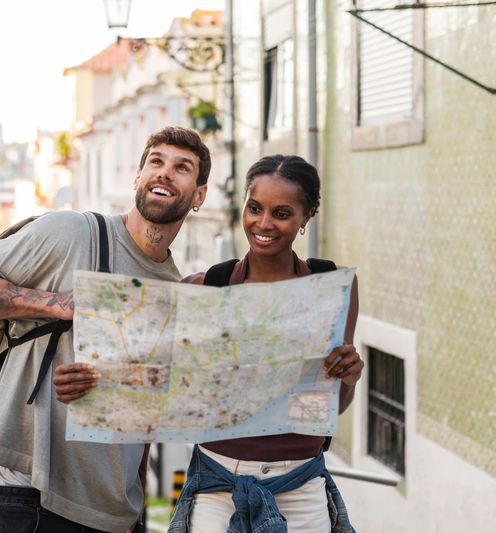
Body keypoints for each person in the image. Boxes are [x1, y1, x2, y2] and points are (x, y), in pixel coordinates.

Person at [55, 155, 362, 532]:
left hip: (301, 490)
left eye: (282, 213)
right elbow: (151, 386)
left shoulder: (330, 287)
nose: (263, 224)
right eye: (254, 208)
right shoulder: (205, 288)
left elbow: (328, 408)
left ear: (307, 216)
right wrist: (84, 387)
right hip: (217, 489)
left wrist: (348, 379)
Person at [0, 126, 212, 533]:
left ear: (199, 195)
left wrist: (138, 507)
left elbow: (143, 415)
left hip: (114, 510)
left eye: (182, 168)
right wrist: (60, 305)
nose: (164, 172)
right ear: (137, 177)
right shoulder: (71, 232)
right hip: (32, 490)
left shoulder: (173, 289)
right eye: (155, 162)